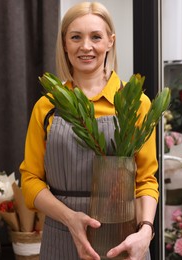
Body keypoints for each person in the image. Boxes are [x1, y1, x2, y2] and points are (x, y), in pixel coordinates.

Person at [19, 2, 159, 259]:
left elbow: (146, 181)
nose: (85, 46)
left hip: (123, 240)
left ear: (110, 41)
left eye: (95, 36)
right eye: (75, 37)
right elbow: (29, 180)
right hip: (61, 236)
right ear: (64, 43)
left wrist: (145, 232)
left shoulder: (135, 103)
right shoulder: (47, 106)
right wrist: (69, 218)